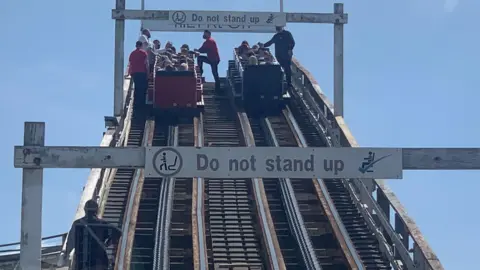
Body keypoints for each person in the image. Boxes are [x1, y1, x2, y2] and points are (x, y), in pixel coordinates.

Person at [60, 200, 122, 270]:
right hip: (99, 263)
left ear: (85, 210)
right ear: (97, 210)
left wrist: (65, 255)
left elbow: (70, 242)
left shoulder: (77, 224)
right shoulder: (102, 224)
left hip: (81, 264)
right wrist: (107, 243)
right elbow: (118, 233)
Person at [128, 41, 149, 109]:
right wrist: (148, 73)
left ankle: (136, 103)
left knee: (137, 87)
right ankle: (141, 103)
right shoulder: (144, 53)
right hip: (142, 72)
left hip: (134, 73)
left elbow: (130, 64)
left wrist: (129, 73)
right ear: (141, 45)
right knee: (143, 88)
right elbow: (146, 64)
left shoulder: (132, 53)